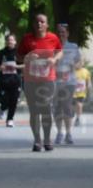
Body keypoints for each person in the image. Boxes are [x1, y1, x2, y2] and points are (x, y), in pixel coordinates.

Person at [18, 14, 63, 152]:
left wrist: (54, 59)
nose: (39, 24)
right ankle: (37, 140)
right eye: (37, 21)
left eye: (42, 22)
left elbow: (60, 51)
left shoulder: (53, 38)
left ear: (47, 24)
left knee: (46, 108)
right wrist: (27, 57)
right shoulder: (27, 39)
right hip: (30, 79)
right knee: (34, 110)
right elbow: (19, 56)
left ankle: (47, 139)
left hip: (48, 79)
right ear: (33, 24)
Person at [52, 23, 80, 145]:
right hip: (55, 81)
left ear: (67, 33)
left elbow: (79, 63)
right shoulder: (52, 47)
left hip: (69, 82)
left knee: (66, 106)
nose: (61, 34)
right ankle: (59, 133)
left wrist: (74, 66)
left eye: (63, 32)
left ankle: (68, 133)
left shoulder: (74, 47)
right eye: (59, 32)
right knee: (57, 108)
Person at [0, 34, 21, 127]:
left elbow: (25, 64)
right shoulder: (1, 52)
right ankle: (2, 108)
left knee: (13, 100)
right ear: (6, 41)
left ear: (15, 42)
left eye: (11, 40)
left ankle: (10, 119)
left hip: (15, 80)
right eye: (8, 40)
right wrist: (0, 67)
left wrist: (16, 66)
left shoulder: (19, 53)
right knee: (4, 100)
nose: (10, 42)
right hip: (4, 80)